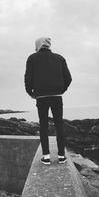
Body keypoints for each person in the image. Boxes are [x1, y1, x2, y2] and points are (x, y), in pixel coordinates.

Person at [24, 37, 72, 165]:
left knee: (43, 126)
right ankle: (61, 156)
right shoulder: (59, 58)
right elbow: (68, 78)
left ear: (38, 45)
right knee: (59, 125)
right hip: (57, 96)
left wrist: (31, 93)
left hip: (41, 97)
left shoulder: (32, 58)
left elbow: (28, 78)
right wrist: (62, 90)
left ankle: (46, 157)